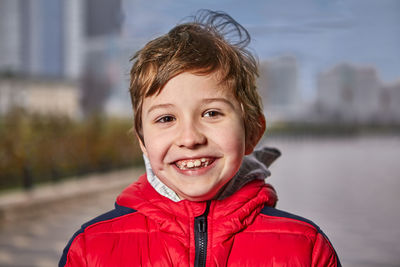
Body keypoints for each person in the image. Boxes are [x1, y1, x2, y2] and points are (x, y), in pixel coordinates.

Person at [59, 10, 341, 266]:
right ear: (143, 141)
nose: (190, 138)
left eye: (211, 113)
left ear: (252, 132)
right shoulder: (90, 249)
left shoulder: (306, 248)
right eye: (166, 118)